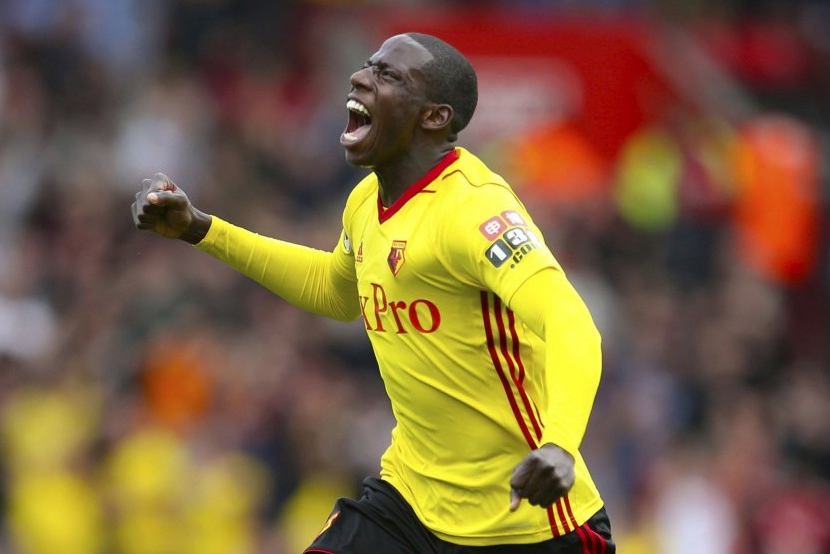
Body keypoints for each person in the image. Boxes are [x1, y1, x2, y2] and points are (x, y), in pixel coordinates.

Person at [132, 32, 614, 554]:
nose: (361, 78)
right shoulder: (366, 200)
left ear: (433, 116)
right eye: (368, 66)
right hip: (409, 501)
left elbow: (570, 321)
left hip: (527, 524)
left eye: (389, 76)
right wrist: (200, 229)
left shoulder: (475, 211)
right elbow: (335, 291)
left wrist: (560, 445)